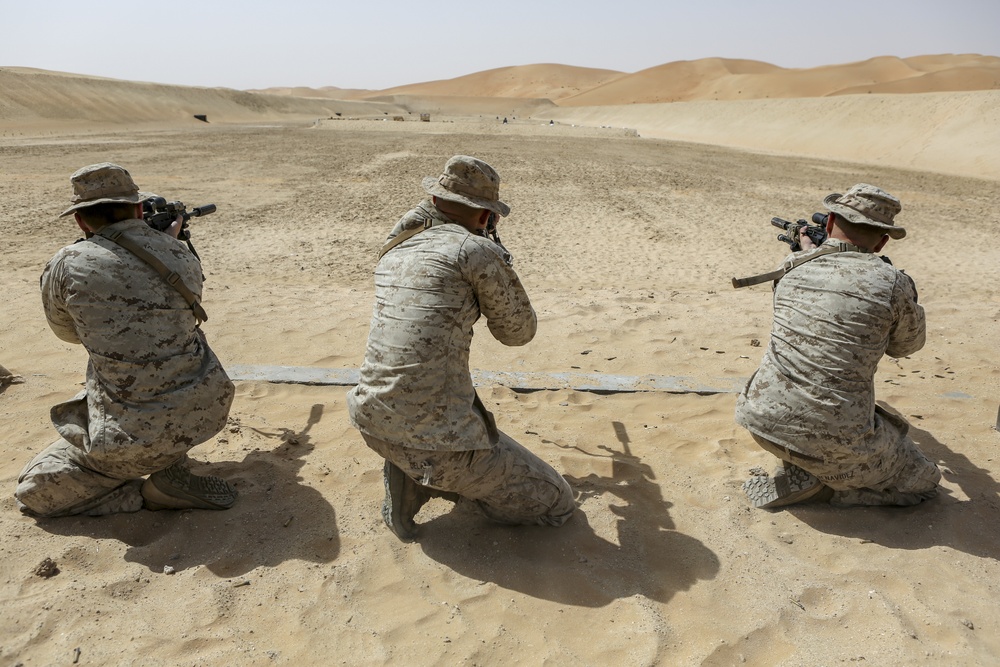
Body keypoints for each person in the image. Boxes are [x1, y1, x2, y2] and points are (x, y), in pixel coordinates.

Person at [347, 155, 575, 540]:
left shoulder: (396, 245)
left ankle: (412, 470)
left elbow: (417, 221)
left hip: (370, 420)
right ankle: (431, 477)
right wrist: (491, 252)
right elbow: (518, 333)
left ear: (434, 201)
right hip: (439, 444)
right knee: (557, 503)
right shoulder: (475, 252)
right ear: (487, 216)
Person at [15, 163, 236, 517]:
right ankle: (170, 464)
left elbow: (68, 334)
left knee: (34, 488)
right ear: (137, 208)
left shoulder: (68, 262)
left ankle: (143, 495)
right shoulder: (179, 254)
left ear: (80, 221)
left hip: (132, 439)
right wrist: (167, 240)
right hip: (206, 410)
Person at [735, 183, 941, 509]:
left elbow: (811, 311)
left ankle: (809, 467)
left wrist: (806, 250)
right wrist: (906, 293)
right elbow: (906, 347)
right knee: (926, 482)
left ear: (830, 223)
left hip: (760, 420)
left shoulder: (791, 268)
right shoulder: (892, 282)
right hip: (835, 437)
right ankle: (830, 488)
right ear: (883, 240)